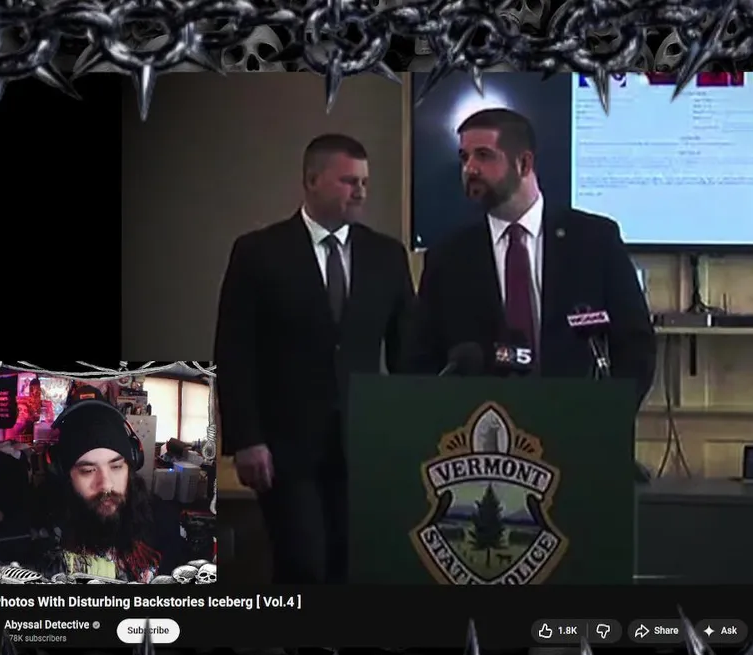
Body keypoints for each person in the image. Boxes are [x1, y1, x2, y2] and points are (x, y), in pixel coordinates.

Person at [214, 133, 415, 583]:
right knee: (304, 564)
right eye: (349, 181)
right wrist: (246, 439)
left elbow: (407, 354)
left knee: (350, 567)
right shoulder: (259, 252)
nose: (360, 192)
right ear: (312, 180)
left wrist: (411, 434)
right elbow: (234, 351)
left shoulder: (386, 256)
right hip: (284, 449)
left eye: (364, 182)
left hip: (362, 446)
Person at [406, 108, 655, 404]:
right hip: (481, 426)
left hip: (576, 420)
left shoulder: (595, 240)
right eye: (464, 157)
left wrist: (611, 414)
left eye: (483, 155)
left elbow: (635, 344)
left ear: (524, 163)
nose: (469, 168)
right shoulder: (448, 257)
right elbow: (420, 359)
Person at [35, 387, 189, 582]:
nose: (106, 485)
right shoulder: (43, 526)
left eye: (116, 467)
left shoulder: (163, 522)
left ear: (131, 465)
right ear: (63, 473)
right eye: (88, 470)